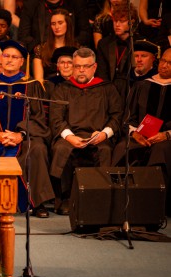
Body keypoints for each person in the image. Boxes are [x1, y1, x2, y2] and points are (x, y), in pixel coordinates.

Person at [0, 40, 53, 218]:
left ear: (21, 62)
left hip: (26, 136)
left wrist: (21, 134)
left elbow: (38, 117)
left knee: (37, 148)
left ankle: (36, 202)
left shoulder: (32, 85)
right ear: (0, 59)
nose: (9, 60)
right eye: (6, 56)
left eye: (14, 57)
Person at [49, 47, 123, 215]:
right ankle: (66, 198)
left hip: (98, 136)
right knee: (61, 148)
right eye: (77, 66)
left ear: (94, 67)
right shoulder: (63, 89)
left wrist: (104, 133)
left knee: (104, 150)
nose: (81, 70)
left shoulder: (107, 88)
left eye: (86, 66)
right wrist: (70, 137)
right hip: (70, 135)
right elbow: (56, 118)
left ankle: (101, 198)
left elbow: (117, 115)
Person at [112, 47, 171, 215]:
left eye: (169, 63)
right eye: (163, 61)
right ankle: (118, 202)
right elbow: (128, 118)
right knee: (123, 148)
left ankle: (154, 207)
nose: (164, 65)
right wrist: (134, 133)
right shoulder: (142, 85)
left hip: (166, 140)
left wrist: (166, 135)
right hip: (140, 136)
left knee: (160, 152)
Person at [96, 3, 140, 101]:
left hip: (131, 89)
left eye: (122, 21)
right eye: (115, 21)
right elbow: (102, 73)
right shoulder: (104, 43)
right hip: (108, 89)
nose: (117, 25)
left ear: (131, 22)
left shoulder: (138, 43)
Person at [18, 0, 91, 53]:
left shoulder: (77, 3)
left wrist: (70, 46)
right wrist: (41, 49)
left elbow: (85, 33)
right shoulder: (31, 5)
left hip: (71, 51)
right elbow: (24, 35)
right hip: (41, 53)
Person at [32, 8, 79, 81]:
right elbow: (39, 80)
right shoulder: (41, 49)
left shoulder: (77, 48)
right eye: (53, 24)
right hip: (48, 89)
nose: (56, 27)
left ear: (68, 24)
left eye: (60, 23)